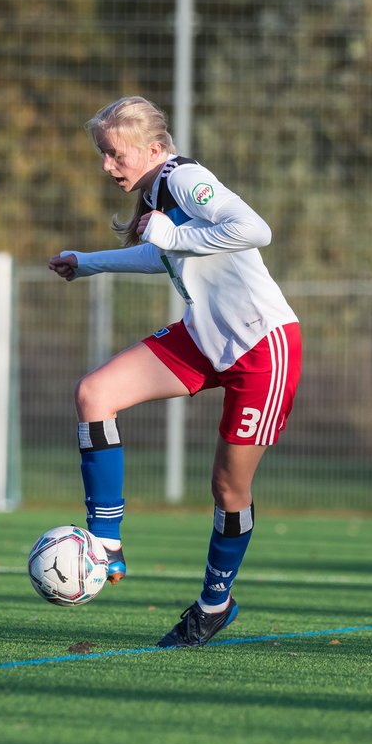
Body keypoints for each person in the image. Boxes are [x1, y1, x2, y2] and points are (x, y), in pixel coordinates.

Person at [48, 96, 302, 648]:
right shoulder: (156, 195)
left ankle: (215, 603)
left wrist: (172, 235)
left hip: (262, 347)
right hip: (203, 336)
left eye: (115, 154)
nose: (107, 166)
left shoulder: (184, 178)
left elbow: (255, 229)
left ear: (155, 149)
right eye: (102, 155)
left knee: (228, 488)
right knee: (95, 394)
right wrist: (88, 262)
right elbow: (166, 255)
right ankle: (106, 542)